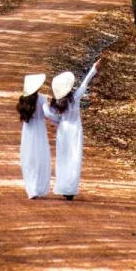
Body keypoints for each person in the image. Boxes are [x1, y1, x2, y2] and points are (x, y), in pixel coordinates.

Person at [45, 60, 99, 200]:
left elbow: (51, 115)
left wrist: (53, 116)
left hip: (63, 130)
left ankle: (63, 186)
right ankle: (70, 188)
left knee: (63, 158)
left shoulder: (58, 103)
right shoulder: (76, 97)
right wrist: (93, 69)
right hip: (75, 130)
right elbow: (85, 83)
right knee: (74, 158)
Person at [17, 73, 51, 199]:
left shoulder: (23, 99)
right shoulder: (42, 98)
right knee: (40, 158)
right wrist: (58, 120)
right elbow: (47, 114)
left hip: (28, 131)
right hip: (40, 131)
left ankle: (32, 189)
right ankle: (38, 187)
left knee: (29, 158)